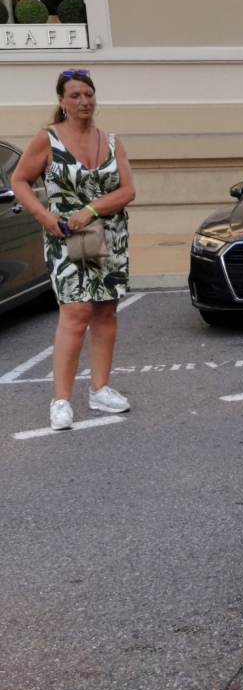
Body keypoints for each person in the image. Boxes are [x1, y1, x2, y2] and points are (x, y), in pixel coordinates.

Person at [10, 69, 136, 430]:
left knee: (106, 312)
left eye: (89, 94)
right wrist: (44, 217)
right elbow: (19, 180)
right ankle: (61, 401)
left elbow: (127, 191)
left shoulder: (111, 141)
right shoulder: (47, 139)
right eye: (76, 96)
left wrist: (91, 209)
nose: (84, 101)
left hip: (110, 236)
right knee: (76, 314)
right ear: (62, 102)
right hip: (65, 237)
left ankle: (100, 390)